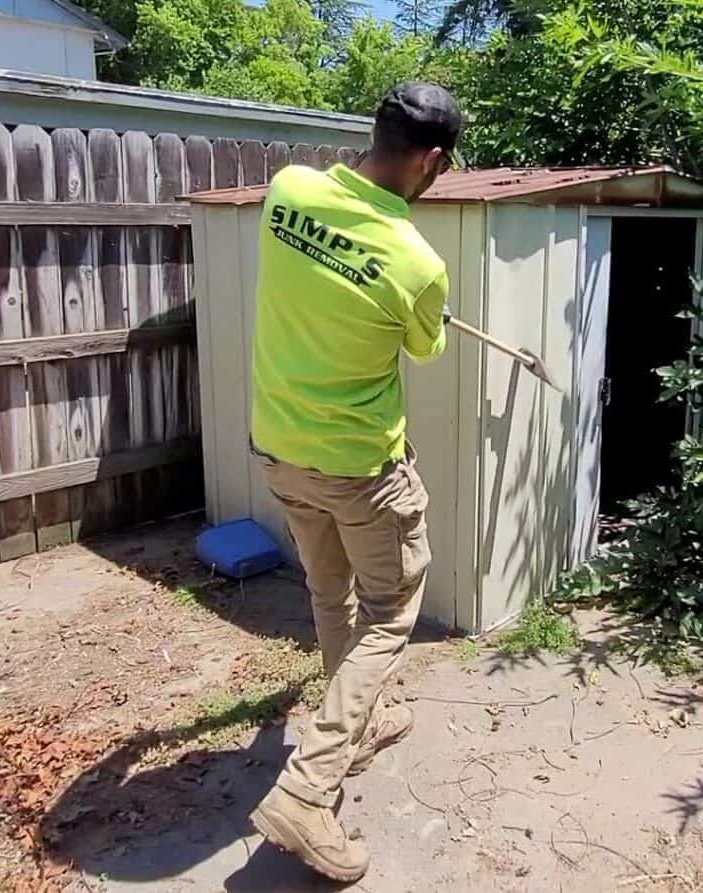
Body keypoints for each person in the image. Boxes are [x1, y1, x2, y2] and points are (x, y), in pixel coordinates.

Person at [246, 81, 463, 882]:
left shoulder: (288, 191)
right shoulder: (418, 262)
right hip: (362, 469)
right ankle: (308, 788)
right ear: (433, 162)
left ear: (372, 131)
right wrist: (428, 303)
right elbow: (428, 348)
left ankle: (356, 718)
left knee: (328, 591)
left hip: (281, 451)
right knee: (390, 612)